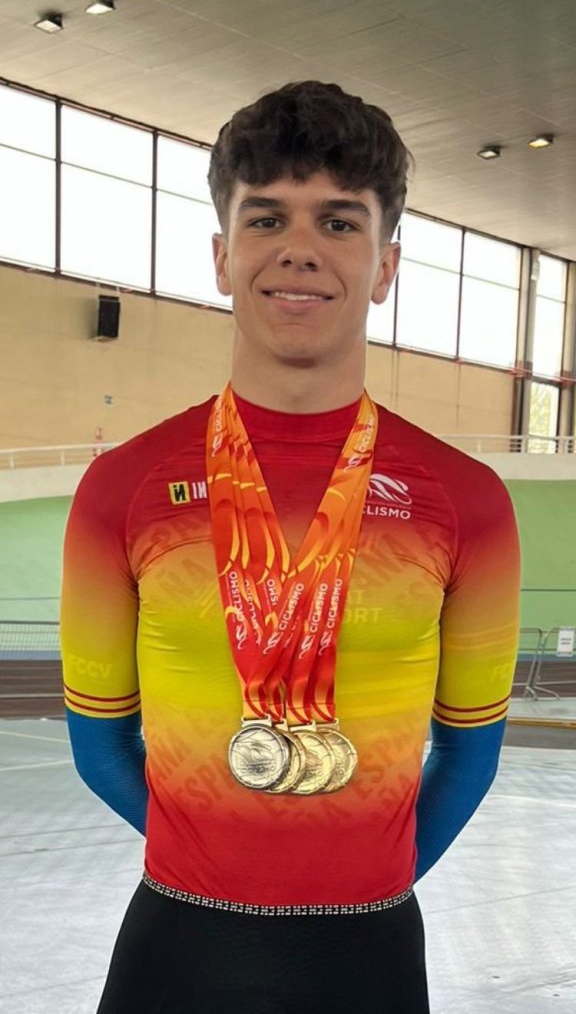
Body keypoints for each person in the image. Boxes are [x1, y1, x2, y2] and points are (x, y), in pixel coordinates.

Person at [60, 80, 521, 1014]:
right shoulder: (123, 488)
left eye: (339, 222)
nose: (300, 247)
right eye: (267, 218)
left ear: (386, 265)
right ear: (223, 256)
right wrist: (212, 865)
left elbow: (471, 755)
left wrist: (365, 885)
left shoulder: (468, 501)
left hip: (370, 952)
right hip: (177, 947)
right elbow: (98, 745)